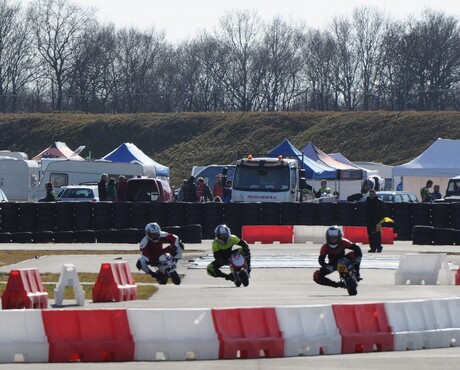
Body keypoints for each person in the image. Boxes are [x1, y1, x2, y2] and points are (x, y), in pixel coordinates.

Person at [365, 189, 386, 253]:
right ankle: (372, 248)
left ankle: (379, 247)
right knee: (371, 235)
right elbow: (365, 211)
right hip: (369, 221)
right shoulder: (367, 201)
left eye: (372, 194)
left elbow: (384, 211)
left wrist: (381, 219)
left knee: (377, 235)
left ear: (375, 194)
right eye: (370, 194)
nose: (371, 196)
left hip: (377, 222)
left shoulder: (379, 202)